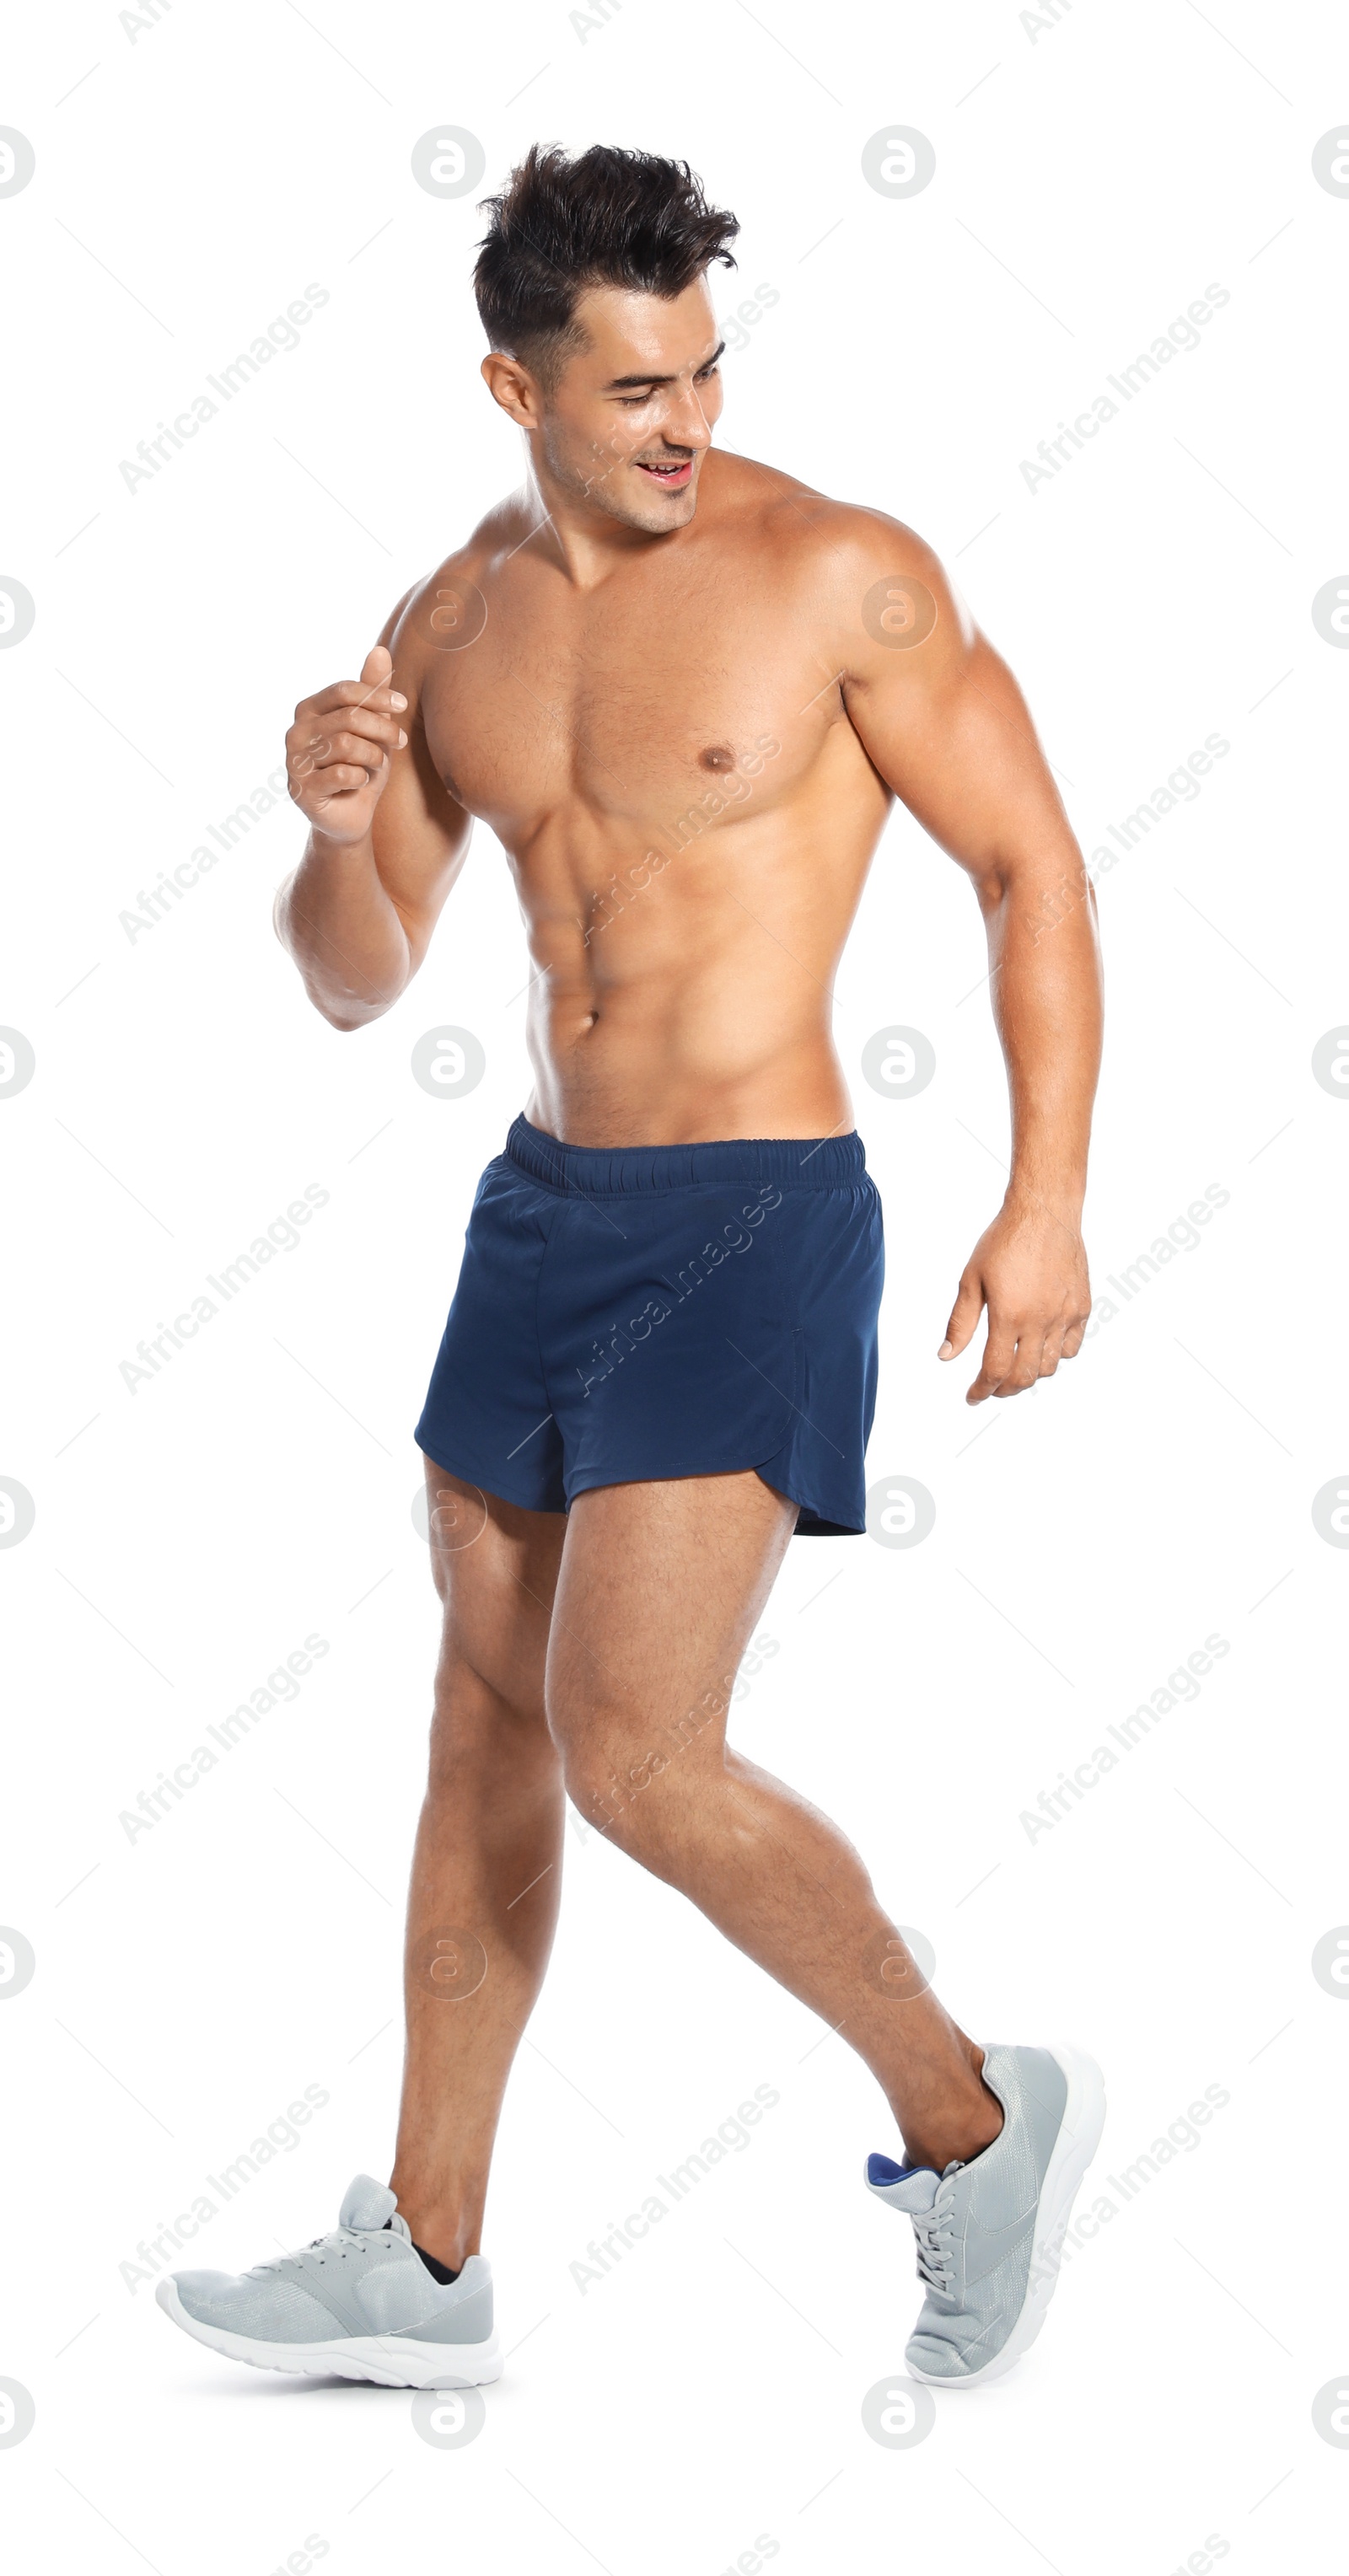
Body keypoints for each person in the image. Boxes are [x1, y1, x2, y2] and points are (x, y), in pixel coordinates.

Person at [157, 142, 1105, 2395]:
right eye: (632, 390)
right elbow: (355, 975)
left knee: (639, 1754)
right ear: (514, 388)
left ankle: (975, 2124)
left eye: (702, 370)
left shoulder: (839, 577)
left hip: (756, 1216)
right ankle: (431, 2252)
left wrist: (1047, 1196)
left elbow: (1033, 872)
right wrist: (323, 826)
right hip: (542, 1212)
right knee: (483, 1718)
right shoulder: (455, 623)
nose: (682, 422)